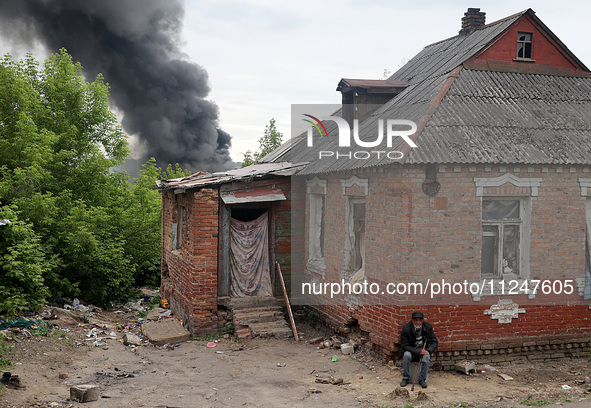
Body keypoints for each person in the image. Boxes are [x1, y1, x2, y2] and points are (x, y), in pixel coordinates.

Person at [399, 311, 438, 389]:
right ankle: (405, 377)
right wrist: (418, 351)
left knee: (427, 357)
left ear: (422, 321)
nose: (418, 322)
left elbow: (434, 341)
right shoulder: (407, 328)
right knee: (406, 355)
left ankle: (422, 379)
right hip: (411, 351)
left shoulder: (428, 327)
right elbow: (404, 346)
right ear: (412, 320)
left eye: (420, 320)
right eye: (416, 320)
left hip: (423, 350)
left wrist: (428, 350)